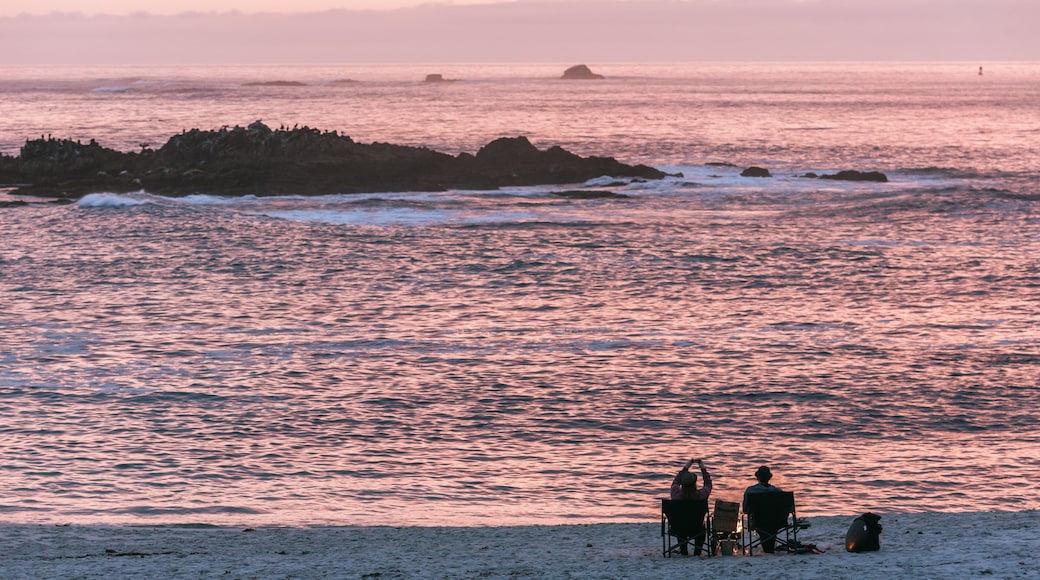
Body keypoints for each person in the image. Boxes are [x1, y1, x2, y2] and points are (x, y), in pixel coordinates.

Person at [669, 458, 712, 555]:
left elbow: (675, 482)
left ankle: (683, 550)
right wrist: (703, 468)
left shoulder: (675, 494)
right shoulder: (701, 496)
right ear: (695, 483)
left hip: (678, 528)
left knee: (682, 525)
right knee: (700, 529)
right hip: (697, 529)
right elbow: (708, 484)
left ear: (682, 484)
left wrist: (686, 467)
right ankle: (697, 551)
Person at [743, 465, 783, 553]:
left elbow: (745, 510)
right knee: (771, 531)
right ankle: (769, 548)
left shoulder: (750, 491)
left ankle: (767, 548)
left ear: (757, 477)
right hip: (777, 522)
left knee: (764, 532)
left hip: (758, 522)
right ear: (769, 477)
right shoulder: (778, 491)